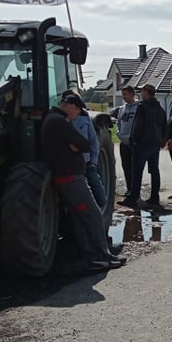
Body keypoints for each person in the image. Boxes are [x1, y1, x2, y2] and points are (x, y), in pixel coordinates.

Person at [41, 95, 123, 271]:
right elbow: (84, 144)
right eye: (77, 112)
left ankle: (92, 257)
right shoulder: (59, 121)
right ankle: (102, 255)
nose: (76, 117)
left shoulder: (52, 119)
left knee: (80, 219)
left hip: (67, 178)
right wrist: (76, 145)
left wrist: (75, 145)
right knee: (93, 215)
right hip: (72, 179)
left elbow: (81, 145)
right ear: (71, 106)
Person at [119, 83, 167, 211]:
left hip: (142, 143)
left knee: (137, 171)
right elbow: (164, 125)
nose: (141, 93)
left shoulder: (142, 107)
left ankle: (133, 197)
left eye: (142, 91)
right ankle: (154, 197)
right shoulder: (159, 108)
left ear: (147, 92)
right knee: (154, 170)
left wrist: (133, 140)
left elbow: (137, 125)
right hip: (155, 144)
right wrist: (162, 140)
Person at [62, 90, 106, 211]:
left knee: (101, 196)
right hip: (71, 167)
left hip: (86, 164)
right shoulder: (59, 119)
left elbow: (93, 141)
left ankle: (100, 211)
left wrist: (93, 162)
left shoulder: (84, 117)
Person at [111, 86, 138, 195]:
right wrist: (118, 133)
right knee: (126, 166)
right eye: (123, 95)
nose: (124, 97)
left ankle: (135, 191)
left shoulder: (139, 107)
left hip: (135, 142)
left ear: (132, 94)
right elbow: (118, 122)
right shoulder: (122, 109)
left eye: (125, 94)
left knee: (135, 167)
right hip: (123, 142)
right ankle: (129, 189)